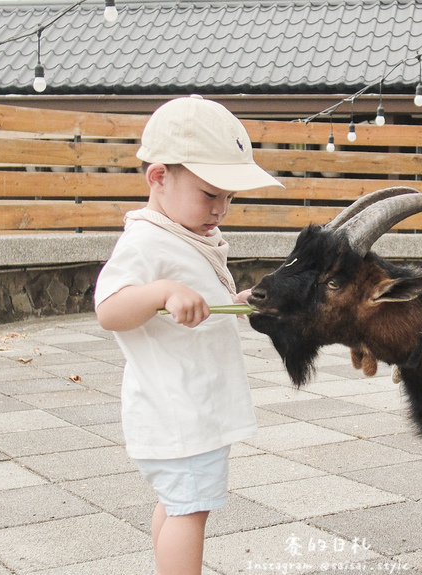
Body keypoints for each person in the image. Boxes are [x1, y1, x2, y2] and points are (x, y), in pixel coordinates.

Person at [94, 95, 283, 575]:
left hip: (188, 411)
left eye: (228, 197)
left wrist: (236, 304)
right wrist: (161, 289)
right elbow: (109, 308)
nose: (220, 208)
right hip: (179, 415)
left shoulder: (183, 233)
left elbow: (200, 303)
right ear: (159, 178)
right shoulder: (146, 240)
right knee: (189, 512)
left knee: (178, 503)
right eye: (209, 194)